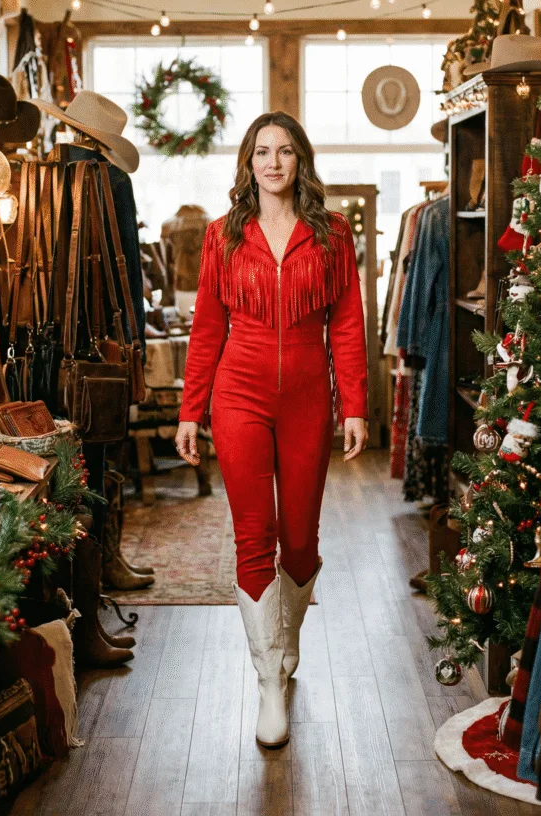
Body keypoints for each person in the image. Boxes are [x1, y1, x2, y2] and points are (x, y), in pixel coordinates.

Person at [175, 111, 369, 749]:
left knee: (302, 539)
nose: (274, 162)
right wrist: (189, 410)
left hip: (311, 398)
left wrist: (357, 405)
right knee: (254, 534)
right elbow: (207, 329)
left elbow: (346, 324)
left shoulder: (332, 233)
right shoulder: (222, 237)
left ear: (300, 161)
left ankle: (288, 645)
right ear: (248, 162)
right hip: (239, 395)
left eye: (285, 151)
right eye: (263, 151)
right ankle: (268, 681)